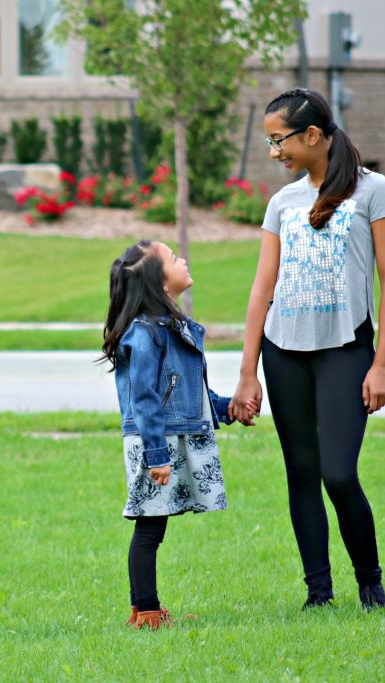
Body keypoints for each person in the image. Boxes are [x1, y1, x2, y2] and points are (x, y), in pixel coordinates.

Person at [231, 88, 385, 610]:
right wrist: (247, 372)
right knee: (302, 472)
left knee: (338, 473)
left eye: (278, 139)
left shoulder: (374, 191)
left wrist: (382, 364)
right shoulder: (282, 202)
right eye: (268, 141)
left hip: (346, 351)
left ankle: (370, 583)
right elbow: (263, 288)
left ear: (312, 135)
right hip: (283, 351)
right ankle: (318, 594)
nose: (273, 151)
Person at [99, 240, 256, 630]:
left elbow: (189, 393)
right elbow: (146, 399)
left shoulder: (170, 327)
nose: (182, 259)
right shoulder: (144, 334)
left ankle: (145, 610)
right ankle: (146, 613)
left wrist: (227, 409)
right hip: (157, 442)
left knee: (155, 525)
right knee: (149, 526)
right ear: (158, 280)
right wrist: (156, 454)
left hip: (170, 437)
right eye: (172, 258)